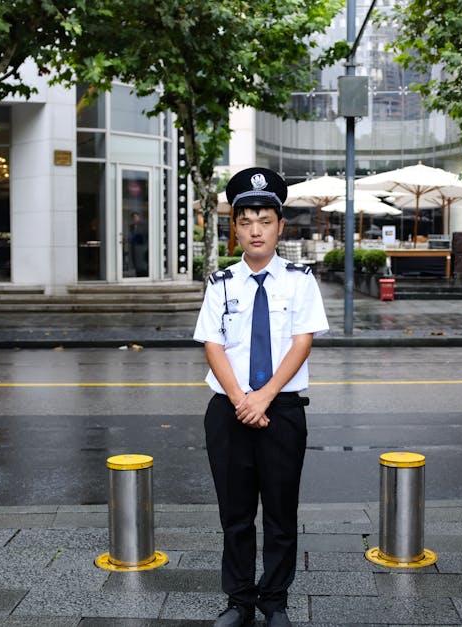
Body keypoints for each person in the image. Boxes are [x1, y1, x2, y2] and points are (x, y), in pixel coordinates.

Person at [194, 167, 328, 627]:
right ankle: (239, 602)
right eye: (246, 221)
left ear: (280, 227)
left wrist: (264, 397)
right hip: (229, 411)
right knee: (234, 515)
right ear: (234, 228)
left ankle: (274, 601)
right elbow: (213, 345)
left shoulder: (300, 280)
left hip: (282, 410)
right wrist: (241, 400)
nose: (256, 230)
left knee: (280, 513)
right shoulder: (220, 283)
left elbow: (302, 342)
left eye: (265, 221)